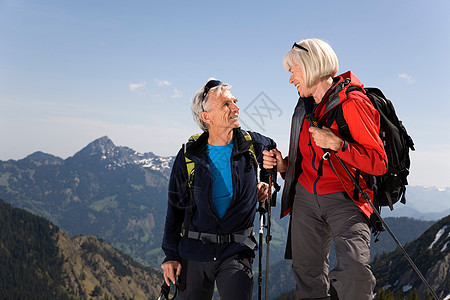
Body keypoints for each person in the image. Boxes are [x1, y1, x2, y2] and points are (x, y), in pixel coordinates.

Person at [263, 38, 388, 300]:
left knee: (355, 274)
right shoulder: (303, 106)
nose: (290, 80)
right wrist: (284, 166)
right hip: (306, 198)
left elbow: (378, 162)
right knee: (307, 274)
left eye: (292, 71)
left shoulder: (353, 103)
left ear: (311, 66)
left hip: (346, 198)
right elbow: (307, 159)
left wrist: (339, 145)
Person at [161, 78, 275, 300]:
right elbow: (174, 209)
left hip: (236, 252)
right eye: (226, 104)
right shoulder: (188, 155)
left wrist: (267, 182)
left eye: (235, 101)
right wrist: (170, 255)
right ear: (206, 117)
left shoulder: (251, 144)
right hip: (194, 252)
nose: (236, 107)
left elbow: (271, 150)